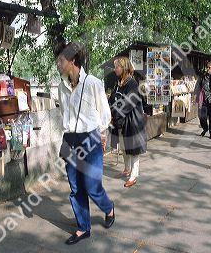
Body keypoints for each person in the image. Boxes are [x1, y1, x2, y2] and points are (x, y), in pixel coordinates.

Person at [57, 42, 115, 245]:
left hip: (90, 139)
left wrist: (102, 135)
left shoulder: (92, 83)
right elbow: (63, 115)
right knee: (75, 187)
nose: (58, 64)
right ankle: (83, 227)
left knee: (91, 186)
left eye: (61, 60)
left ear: (72, 60)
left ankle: (108, 208)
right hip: (70, 139)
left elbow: (105, 114)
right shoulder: (61, 86)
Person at [109, 56, 147, 188]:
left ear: (123, 68)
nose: (115, 69)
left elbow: (127, 104)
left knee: (133, 149)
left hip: (132, 121)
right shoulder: (119, 82)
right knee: (124, 147)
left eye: (117, 67)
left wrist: (114, 113)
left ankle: (134, 175)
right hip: (120, 120)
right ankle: (127, 169)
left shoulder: (132, 84)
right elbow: (113, 98)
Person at [196, 61, 211, 139]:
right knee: (202, 117)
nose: (207, 69)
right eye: (207, 67)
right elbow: (197, 86)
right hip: (204, 101)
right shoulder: (203, 77)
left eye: (209, 67)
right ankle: (205, 128)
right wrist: (195, 96)